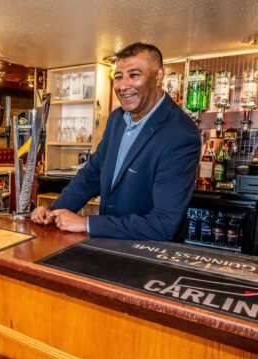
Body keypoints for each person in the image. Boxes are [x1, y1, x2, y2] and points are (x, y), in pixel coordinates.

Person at [31, 42, 200, 241]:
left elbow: (163, 224)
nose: (122, 85)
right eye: (118, 77)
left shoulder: (181, 134)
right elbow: (91, 176)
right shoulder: (117, 119)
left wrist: (86, 223)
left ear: (158, 76)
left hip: (146, 257)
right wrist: (53, 213)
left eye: (134, 75)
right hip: (108, 246)